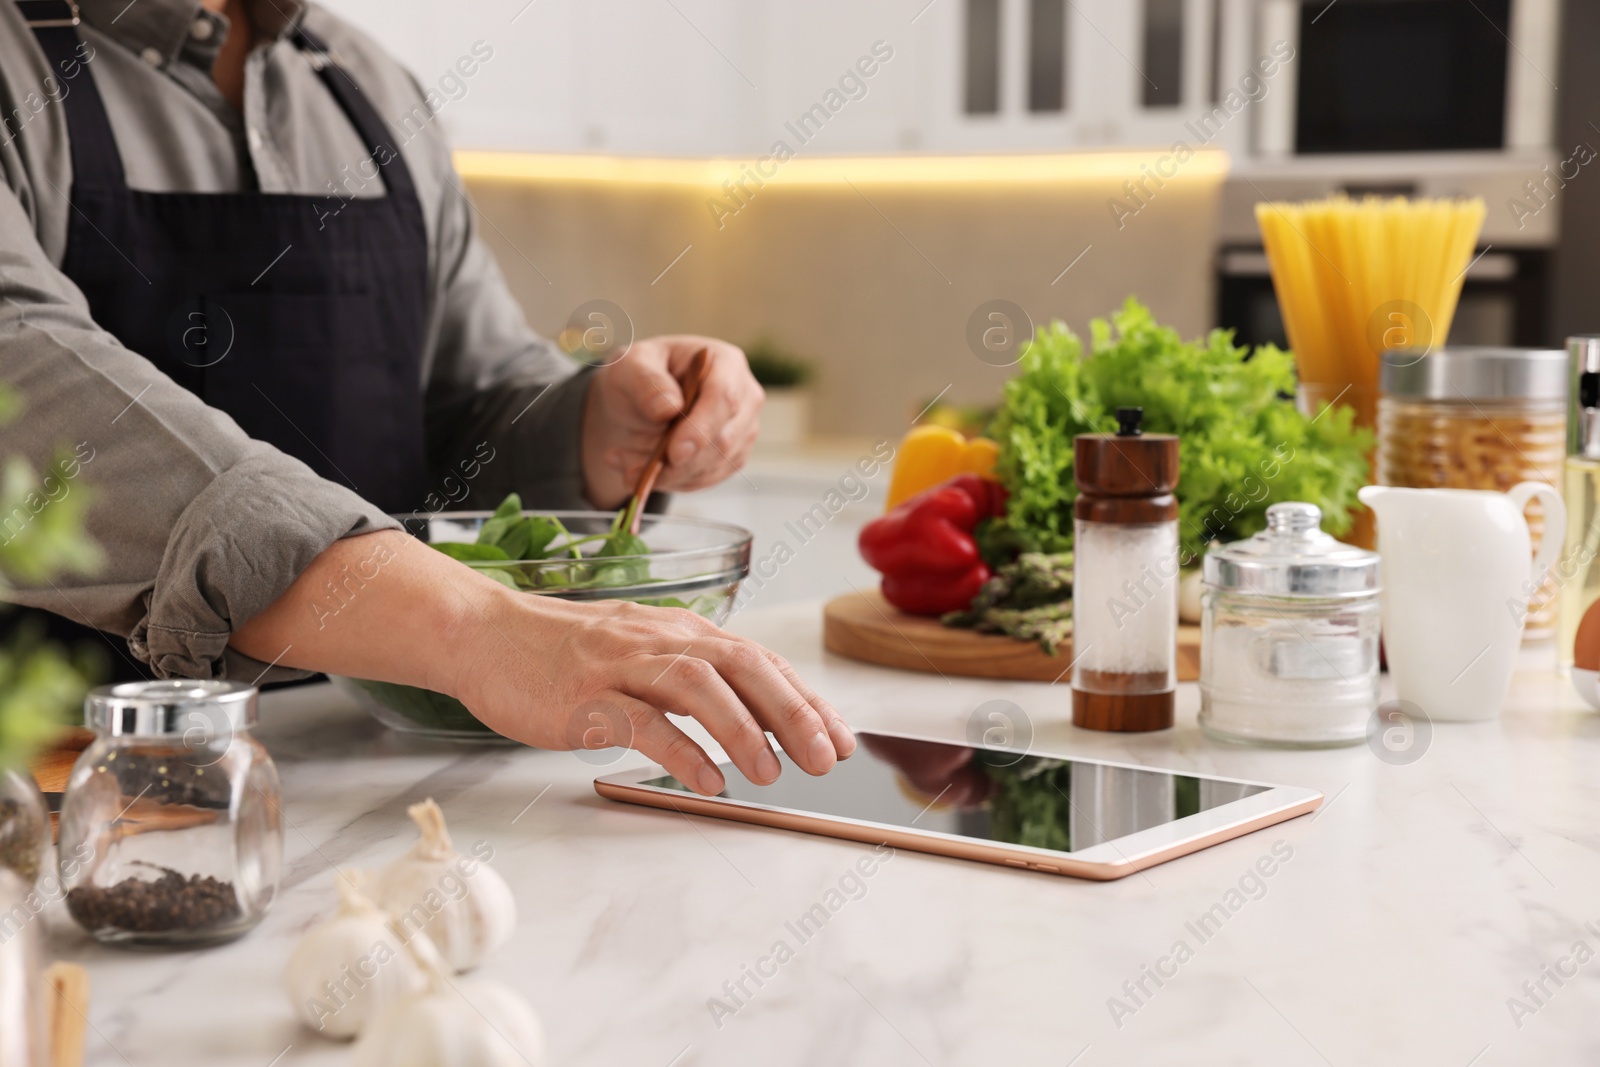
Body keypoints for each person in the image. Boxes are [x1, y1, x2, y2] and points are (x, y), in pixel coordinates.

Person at [0, 0, 855, 793]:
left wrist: (595, 430)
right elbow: (28, 384)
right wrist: (469, 628)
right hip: (68, 790)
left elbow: (467, 412)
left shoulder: (371, 87)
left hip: (382, 774)